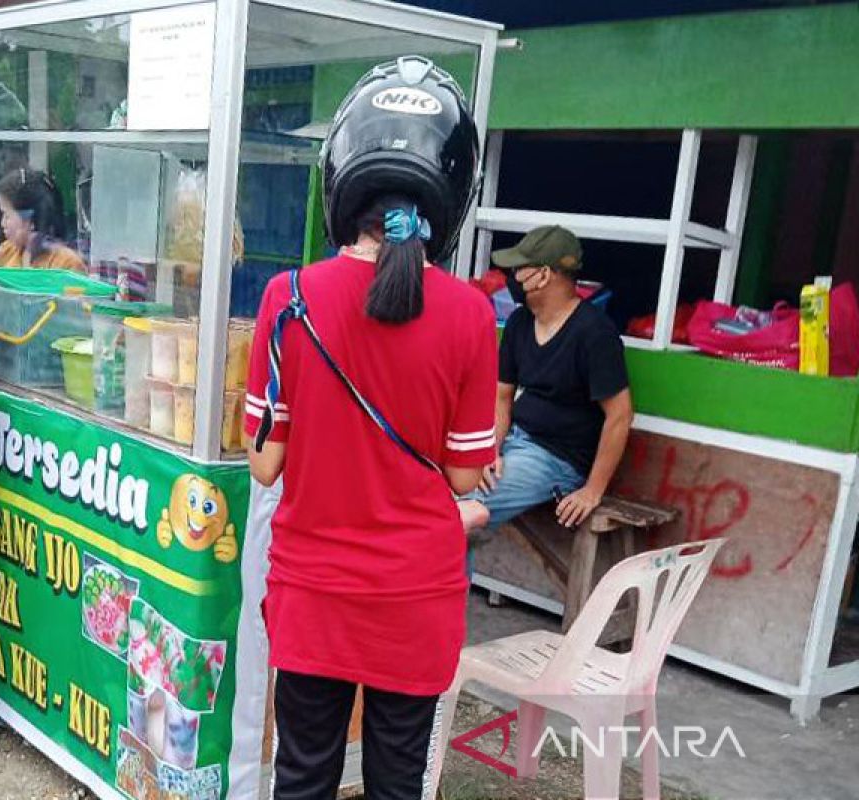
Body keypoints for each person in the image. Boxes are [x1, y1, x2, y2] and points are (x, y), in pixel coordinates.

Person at [245, 57, 492, 800]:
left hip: (313, 594)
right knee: (396, 783)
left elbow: (264, 465)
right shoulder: (473, 314)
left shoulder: (287, 300)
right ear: (452, 195)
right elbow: (462, 478)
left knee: (304, 775)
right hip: (416, 598)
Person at [457, 225, 633, 536]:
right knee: (448, 496)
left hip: (556, 458)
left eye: (519, 269)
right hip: (513, 441)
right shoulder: (519, 322)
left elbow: (620, 416)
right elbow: (502, 397)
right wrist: (490, 451)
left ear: (544, 274)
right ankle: (452, 586)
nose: (511, 276)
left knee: (462, 511)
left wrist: (592, 490)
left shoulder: (594, 333)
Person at [0, 167, 85, 271]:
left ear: (31, 220)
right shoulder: (7, 252)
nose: (2, 223)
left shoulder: (66, 264)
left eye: (7, 215)